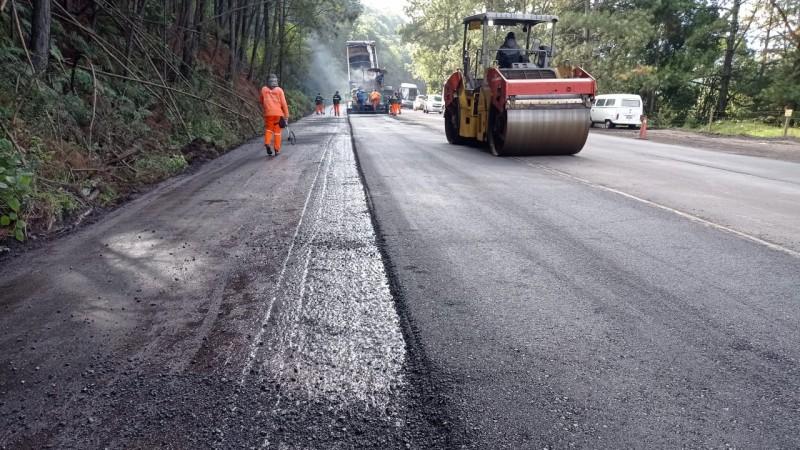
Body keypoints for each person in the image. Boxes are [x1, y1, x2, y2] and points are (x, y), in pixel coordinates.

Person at [259, 74, 289, 156]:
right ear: (276, 81)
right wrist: (286, 116)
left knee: (269, 129)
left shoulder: (264, 89)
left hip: (268, 114)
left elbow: (261, 100)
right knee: (277, 132)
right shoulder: (279, 90)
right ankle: (277, 149)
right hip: (278, 114)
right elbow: (284, 104)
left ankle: (267, 143)